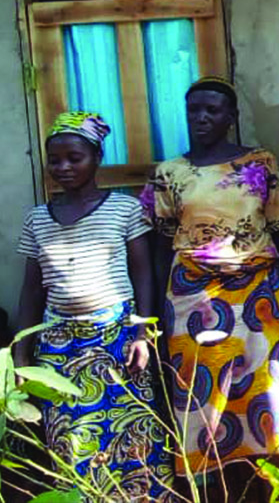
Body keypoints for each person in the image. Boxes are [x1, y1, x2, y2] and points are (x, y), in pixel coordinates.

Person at [145, 77, 279, 500]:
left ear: (231, 117)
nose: (202, 118)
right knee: (201, 404)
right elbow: (161, 244)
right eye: (194, 110)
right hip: (192, 301)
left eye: (213, 110)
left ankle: (266, 493)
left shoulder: (261, 164)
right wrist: (157, 310)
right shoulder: (170, 173)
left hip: (257, 298)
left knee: (268, 399)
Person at [15, 112, 172, 501]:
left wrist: (142, 333)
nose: (63, 167)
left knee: (134, 441)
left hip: (117, 343)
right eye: (55, 160)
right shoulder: (37, 219)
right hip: (58, 350)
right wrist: (21, 358)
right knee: (69, 441)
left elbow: (144, 276)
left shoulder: (124, 210)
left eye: (75, 157)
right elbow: (31, 293)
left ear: (97, 158)